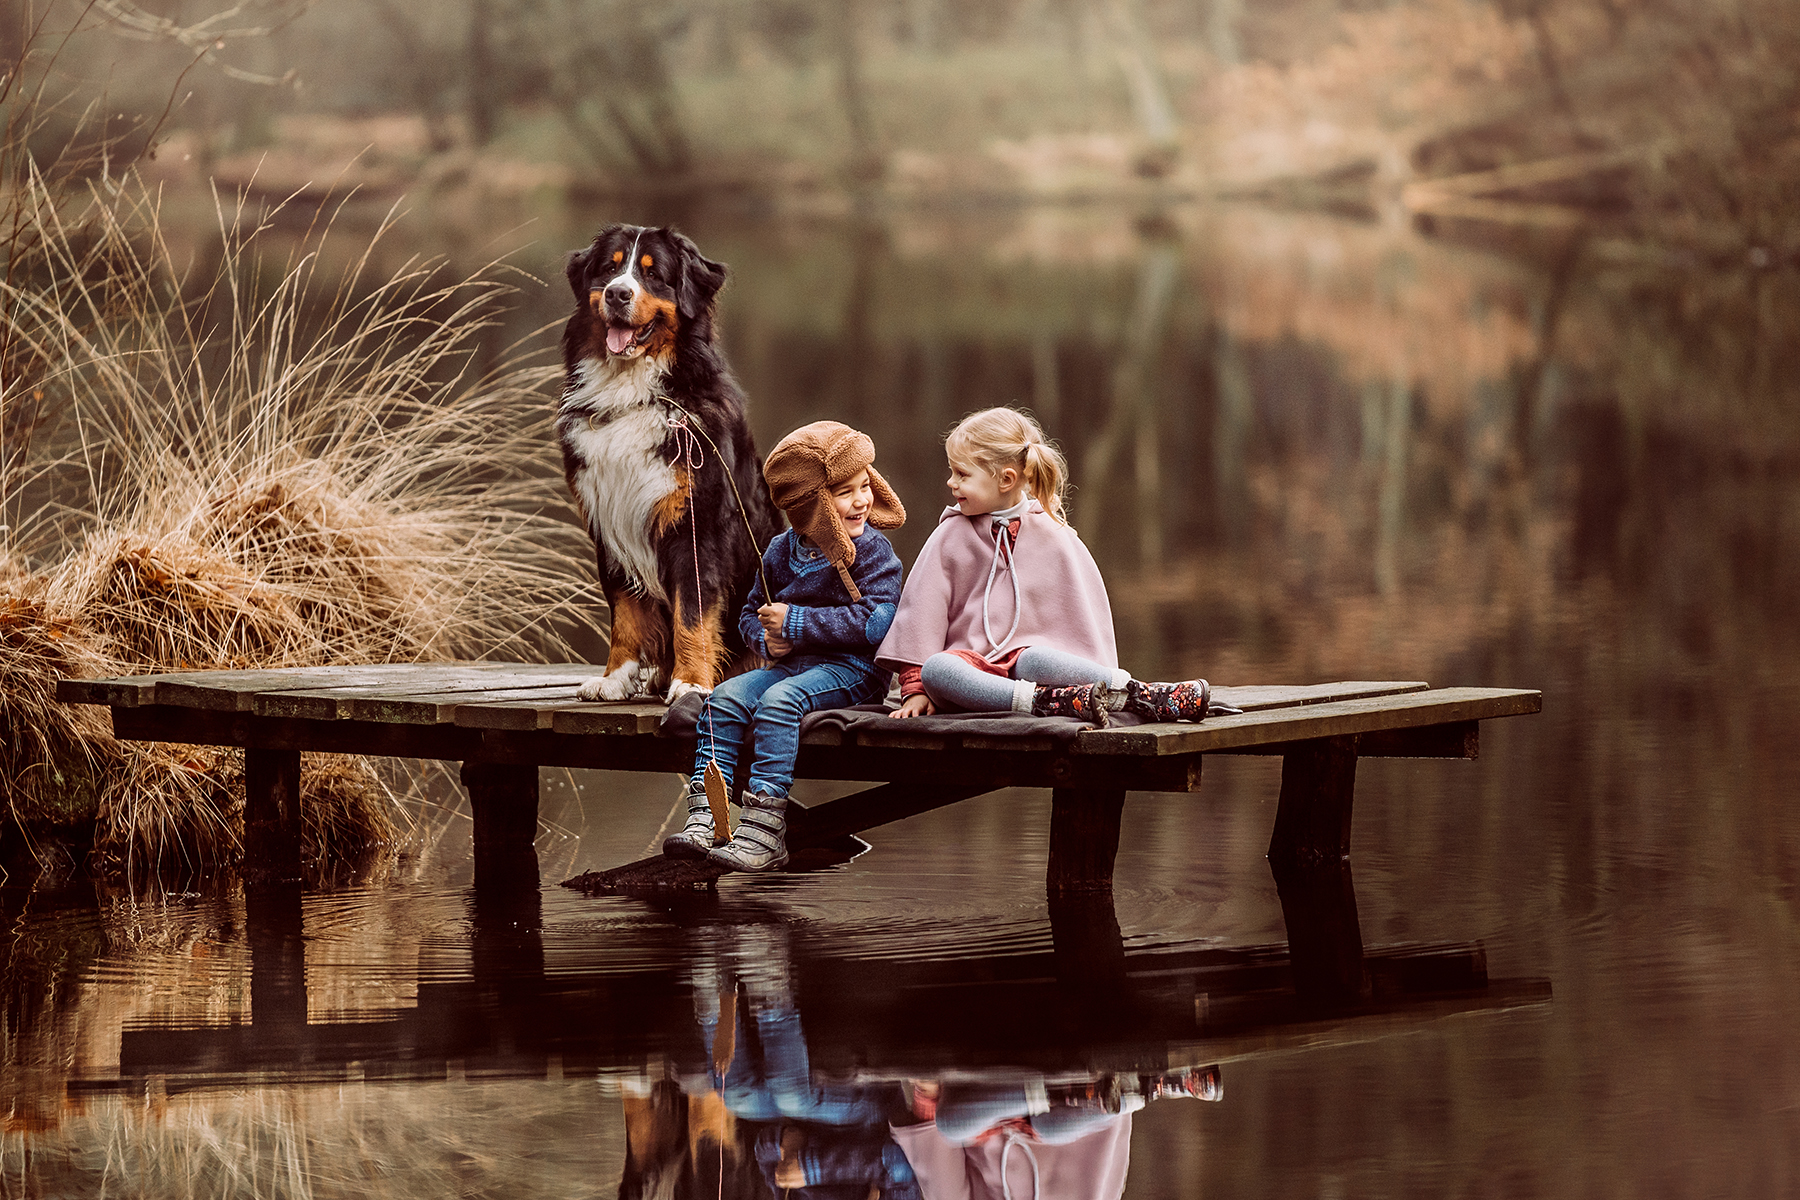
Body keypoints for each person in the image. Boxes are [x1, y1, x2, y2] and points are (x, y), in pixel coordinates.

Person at [667, 420, 906, 872]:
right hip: (790, 666)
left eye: (865, 486)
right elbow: (749, 614)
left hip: (853, 671)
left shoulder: (873, 552)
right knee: (723, 698)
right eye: (845, 493)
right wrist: (767, 640)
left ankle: (764, 830)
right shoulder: (780, 551)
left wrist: (795, 623)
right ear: (810, 507)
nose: (862, 500)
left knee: (779, 701)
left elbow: (877, 623)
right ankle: (708, 818)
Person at [877, 406, 1210, 726]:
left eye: (962, 474)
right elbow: (921, 615)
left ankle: (1136, 693)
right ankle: (1045, 701)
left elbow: (1084, 616)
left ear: (1006, 479)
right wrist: (915, 690)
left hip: (1033, 668)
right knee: (937, 671)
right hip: (976, 674)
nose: (951, 482)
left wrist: (1096, 668)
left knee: (1035, 660)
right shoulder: (949, 535)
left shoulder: (1053, 534)